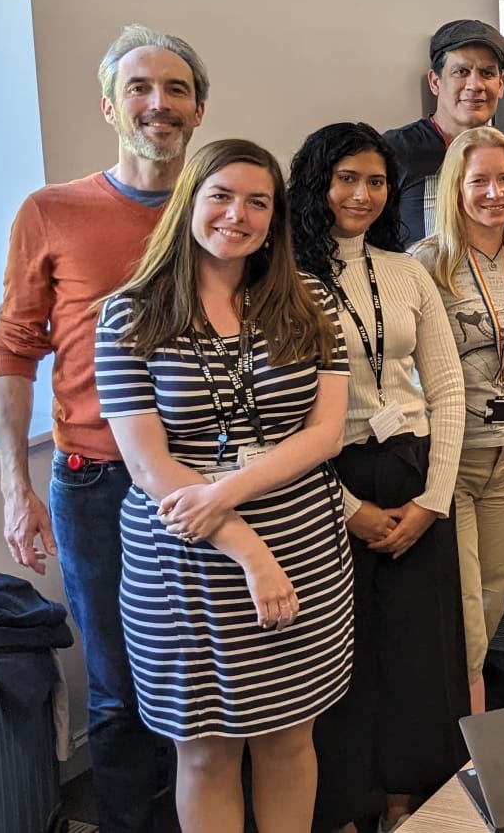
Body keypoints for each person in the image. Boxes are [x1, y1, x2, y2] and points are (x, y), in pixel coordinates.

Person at [93, 139, 352, 833]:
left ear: (275, 218)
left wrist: (223, 491)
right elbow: (149, 467)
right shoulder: (128, 315)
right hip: (185, 561)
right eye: (221, 196)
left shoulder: (314, 300)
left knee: (290, 738)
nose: (237, 215)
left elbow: (326, 432)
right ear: (189, 203)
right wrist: (247, 550)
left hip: (302, 545)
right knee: (205, 752)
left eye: (257, 202)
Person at [0, 24, 206, 833]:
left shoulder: (226, 209)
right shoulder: (52, 212)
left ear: (200, 107)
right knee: (120, 688)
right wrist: (16, 488)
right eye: (141, 88)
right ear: (110, 105)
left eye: (176, 89)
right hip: (98, 484)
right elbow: (14, 351)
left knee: (216, 677)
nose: (159, 104)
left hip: (213, 473)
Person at [288, 123, 467, 831]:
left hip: (415, 473)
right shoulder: (286, 281)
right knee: (345, 657)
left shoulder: (407, 270)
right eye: (345, 179)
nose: (361, 194)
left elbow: (446, 388)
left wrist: (433, 499)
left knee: (424, 656)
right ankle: (347, 803)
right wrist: (344, 508)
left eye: (375, 181)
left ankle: (412, 804)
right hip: (328, 481)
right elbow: (277, 421)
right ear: (317, 184)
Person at [413, 125, 504, 712]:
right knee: (464, 614)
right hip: (453, 458)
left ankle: (469, 733)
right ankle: (466, 746)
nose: (495, 192)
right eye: (479, 181)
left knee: (491, 606)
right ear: (454, 189)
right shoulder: (427, 265)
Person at [385, 19, 504, 245]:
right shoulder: (397, 150)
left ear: (501, 84)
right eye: (461, 71)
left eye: (487, 73)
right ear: (435, 82)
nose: (475, 85)